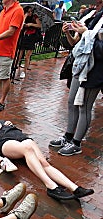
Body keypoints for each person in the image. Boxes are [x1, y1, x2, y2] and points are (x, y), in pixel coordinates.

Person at [0, 120, 94, 201]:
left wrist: (9, 124)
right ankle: (51, 186)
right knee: (27, 149)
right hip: (3, 142)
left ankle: (75, 188)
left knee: (44, 163)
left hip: (18, 136)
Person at [49, 4, 103, 156]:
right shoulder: (91, 14)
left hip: (95, 69)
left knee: (84, 106)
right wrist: (69, 33)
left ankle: (76, 143)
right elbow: (76, 44)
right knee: (72, 101)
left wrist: (86, 33)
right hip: (80, 65)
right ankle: (68, 136)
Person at [17, 6, 41, 80]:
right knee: (19, 54)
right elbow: (20, 24)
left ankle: (24, 71)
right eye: (28, 11)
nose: (30, 13)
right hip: (24, 36)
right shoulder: (24, 16)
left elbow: (39, 25)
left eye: (31, 11)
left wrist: (31, 24)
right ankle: (16, 67)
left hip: (31, 37)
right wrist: (25, 16)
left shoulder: (35, 17)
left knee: (27, 56)